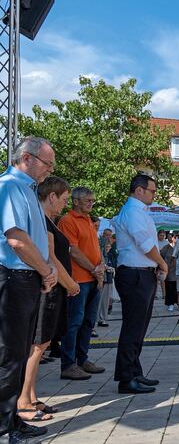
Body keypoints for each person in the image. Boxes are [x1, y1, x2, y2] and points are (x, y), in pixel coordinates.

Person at [0, 137, 58, 443]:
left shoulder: (27, 191)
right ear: (27, 158)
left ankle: (11, 420)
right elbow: (18, 240)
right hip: (13, 277)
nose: (50, 170)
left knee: (19, 353)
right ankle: (3, 427)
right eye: (47, 163)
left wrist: (44, 272)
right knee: (9, 355)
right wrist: (46, 269)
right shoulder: (10, 186)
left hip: (27, 277)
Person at [17, 177, 80, 422]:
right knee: (38, 346)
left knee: (40, 345)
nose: (65, 205)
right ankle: (23, 400)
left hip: (52, 288)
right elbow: (51, 258)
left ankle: (31, 396)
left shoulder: (48, 222)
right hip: (50, 290)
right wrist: (71, 284)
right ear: (51, 196)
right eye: (64, 199)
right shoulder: (43, 223)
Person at [113, 173, 168, 394]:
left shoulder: (139, 211)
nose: (154, 194)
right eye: (152, 191)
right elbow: (145, 245)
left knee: (139, 328)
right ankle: (127, 378)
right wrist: (163, 263)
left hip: (142, 273)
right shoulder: (133, 212)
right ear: (139, 190)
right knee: (132, 327)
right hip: (134, 274)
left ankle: (134, 371)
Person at [58, 187, 105, 380]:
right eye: (88, 200)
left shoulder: (88, 221)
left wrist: (101, 266)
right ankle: (68, 364)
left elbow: (96, 248)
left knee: (88, 322)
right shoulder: (68, 221)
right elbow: (73, 251)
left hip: (93, 279)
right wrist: (94, 269)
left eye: (92, 200)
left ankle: (82, 359)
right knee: (74, 322)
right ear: (75, 201)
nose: (91, 203)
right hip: (78, 280)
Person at [97, 238, 117, 327]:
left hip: (108, 279)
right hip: (101, 279)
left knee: (105, 301)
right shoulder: (100, 255)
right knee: (98, 301)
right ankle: (96, 320)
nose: (108, 248)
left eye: (109, 246)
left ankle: (103, 318)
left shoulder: (110, 255)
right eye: (106, 246)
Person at [161, 233, 177, 311]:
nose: (175, 239)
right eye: (174, 237)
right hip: (169, 270)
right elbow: (161, 256)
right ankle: (170, 304)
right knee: (170, 288)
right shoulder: (166, 247)